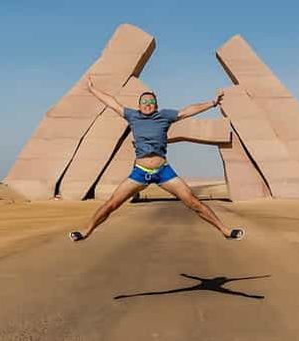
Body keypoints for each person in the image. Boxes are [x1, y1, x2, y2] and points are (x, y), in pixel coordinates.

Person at [69, 75, 245, 242]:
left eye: (151, 102)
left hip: (163, 171)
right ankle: (86, 231)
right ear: (139, 105)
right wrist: (92, 90)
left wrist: (212, 103)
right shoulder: (132, 115)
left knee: (193, 201)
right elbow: (112, 103)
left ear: (156, 104)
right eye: (144, 102)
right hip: (140, 172)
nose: (148, 105)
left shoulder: (164, 116)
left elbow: (187, 111)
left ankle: (225, 230)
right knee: (112, 204)